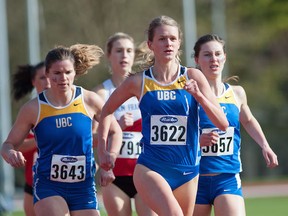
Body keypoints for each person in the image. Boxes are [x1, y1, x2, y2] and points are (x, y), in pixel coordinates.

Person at [97, 16, 229, 216]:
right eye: (162, 39)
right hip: (151, 169)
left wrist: (198, 96)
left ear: (179, 43)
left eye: (173, 39)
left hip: (188, 170)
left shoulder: (193, 77)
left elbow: (222, 123)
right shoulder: (138, 81)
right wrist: (103, 150)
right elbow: (105, 111)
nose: (168, 43)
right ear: (150, 44)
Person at [1, 44, 122, 216]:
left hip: (83, 186)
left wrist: (110, 159)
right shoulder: (34, 108)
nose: (63, 78)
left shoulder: (89, 100)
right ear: (48, 75)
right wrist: (10, 153)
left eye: (67, 72)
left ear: (75, 73)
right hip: (49, 186)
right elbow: (8, 144)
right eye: (57, 73)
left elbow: (115, 131)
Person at [192, 34, 279, 216]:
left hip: (227, 178)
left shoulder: (236, 93)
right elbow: (178, 134)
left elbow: (247, 120)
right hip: (194, 178)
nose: (213, 59)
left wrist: (265, 145)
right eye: (207, 55)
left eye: (217, 54)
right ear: (197, 59)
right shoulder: (190, 96)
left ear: (224, 57)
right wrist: (196, 140)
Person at [93, 32, 155, 216]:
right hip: (114, 175)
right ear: (109, 55)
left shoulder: (146, 88)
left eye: (129, 51)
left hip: (146, 171)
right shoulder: (101, 93)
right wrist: (116, 128)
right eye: (119, 51)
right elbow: (91, 138)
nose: (124, 55)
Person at [12, 61, 50, 216]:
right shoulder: (29, 111)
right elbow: (16, 146)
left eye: (50, 76)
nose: (48, 81)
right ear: (34, 82)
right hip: (33, 184)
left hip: (64, 183)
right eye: (42, 77)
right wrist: (40, 139)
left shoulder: (70, 106)